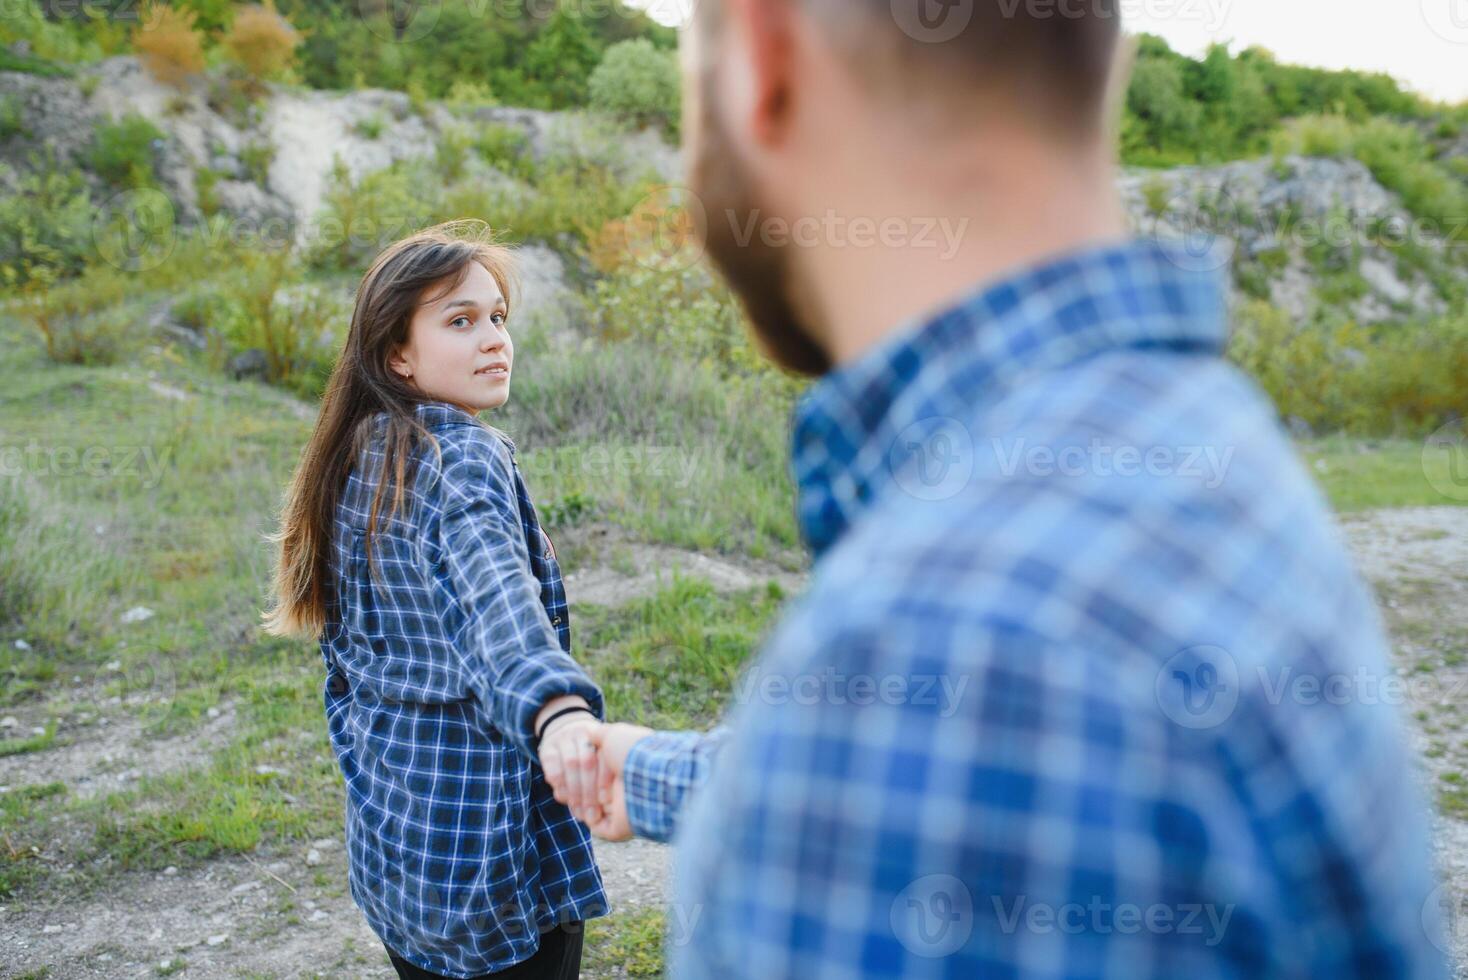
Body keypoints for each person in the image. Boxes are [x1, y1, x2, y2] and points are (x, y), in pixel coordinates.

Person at [555, 1, 1451, 977]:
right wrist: (655, 770)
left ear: (763, 54)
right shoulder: (1184, 439)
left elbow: (937, 725)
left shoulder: (947, 646)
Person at [264, 221, 607, 979]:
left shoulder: (360, 449)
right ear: (397, 353)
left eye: (497, 317)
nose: (494, 339)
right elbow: (500, 610)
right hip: (490, 855)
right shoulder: (463, 460)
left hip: (401, 846)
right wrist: (558, 711)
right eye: (461, 321)